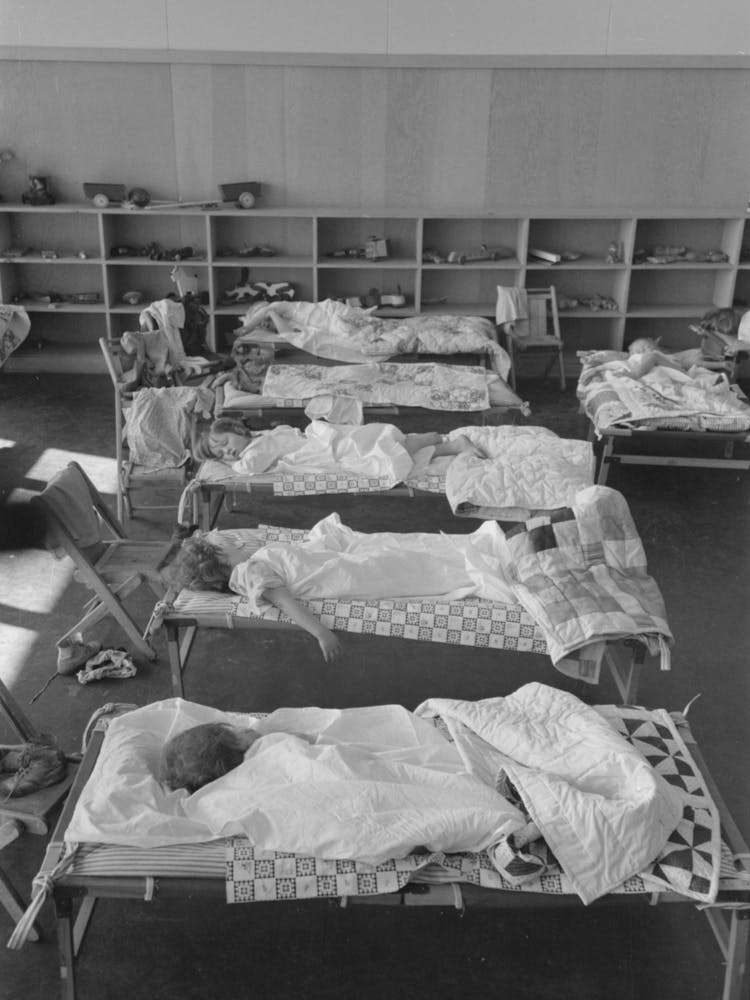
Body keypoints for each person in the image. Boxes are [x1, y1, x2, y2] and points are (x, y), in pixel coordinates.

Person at [165, 514, 515, 664]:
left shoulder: (251, 562)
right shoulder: (248, 571)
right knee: (409, 568)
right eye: (227, 543)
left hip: (340, 565)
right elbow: (282, 599)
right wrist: (320, 632)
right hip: (347, 577)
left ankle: (484, 558)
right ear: (221, 560)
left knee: (404, 558)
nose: (236, 541)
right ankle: (485, 565)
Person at [193, 416, 486, 476]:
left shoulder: (257, 449)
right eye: (221, 455)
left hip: (324, 450)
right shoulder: (262, 437)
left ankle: (424, 440)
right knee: (374, 450)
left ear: (236, 429)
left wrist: (230, 464)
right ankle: (453, 446)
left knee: (377, 458)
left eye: (225, 444)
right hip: (321, 443)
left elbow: (248, 468)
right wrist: (226, 458)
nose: (228, 453)